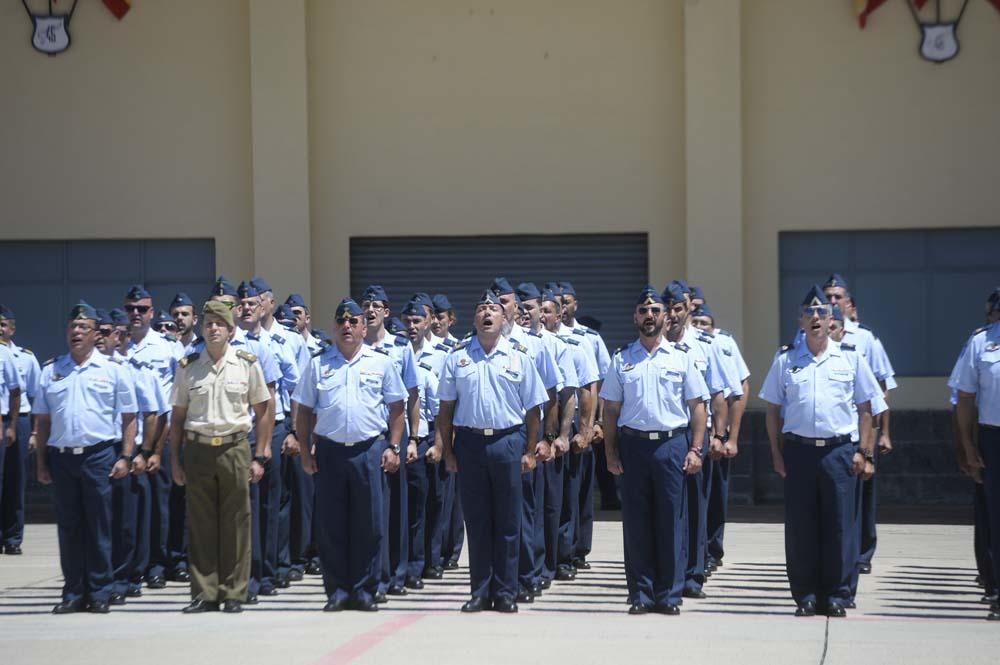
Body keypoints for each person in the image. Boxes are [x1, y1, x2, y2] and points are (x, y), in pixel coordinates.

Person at [759, 285, 882, 617]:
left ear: (832, 321)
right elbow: (772, 411)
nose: (816, 318)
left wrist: (865, 452)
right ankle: (807, 595)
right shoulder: (785, 360)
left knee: (841, 525)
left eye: (822, 313)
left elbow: (867, 409)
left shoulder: (851, 358)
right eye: (809, 313)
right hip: (799, 453)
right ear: (800, 321)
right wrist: (776, 452)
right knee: (802, 527)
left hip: (839, 452)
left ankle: (838, 594)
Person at [435, 290, 549, 613]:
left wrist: (529, 450)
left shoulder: (519, 357)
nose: (487, 314)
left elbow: (533, 410)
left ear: (504, 319)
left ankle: (507, 592)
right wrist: (448, 450)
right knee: (477, 520)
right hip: (470, 443)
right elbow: (445, 409)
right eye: (482, 309)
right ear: (474, 318)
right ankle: (480, 591)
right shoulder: (457, 357)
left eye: (494, 309)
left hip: (508, 442)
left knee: (509, 521)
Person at [600, 286, 709, 615]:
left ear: (667, 316)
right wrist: (611, 452)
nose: (650, 316)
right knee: (636, 523)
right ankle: (641, 593)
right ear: (635, 316)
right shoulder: (622, 358)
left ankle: (669, 594)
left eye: (655, 311)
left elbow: (698, 407)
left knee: (672, 522)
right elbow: (610, 411)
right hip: (633, 446)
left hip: (672, 445)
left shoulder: (681, 358)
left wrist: (696, 449)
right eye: (643, 311)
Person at [293, 298, 406, 612]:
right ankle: (338, 590)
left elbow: (398, 409)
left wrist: (393, 447)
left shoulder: (380, 362)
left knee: (369, 525)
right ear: (333, 327)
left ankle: (365, 589)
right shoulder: (318, 363)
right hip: (329, 451)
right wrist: (305, 451)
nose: (347, 327)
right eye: (341, 322)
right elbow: (302, 411)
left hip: (368, 450)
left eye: (353, 322)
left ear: (363, 327)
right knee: (332, 525)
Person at [170, 300, 273, 614]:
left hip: (234, 447)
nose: (213, 328)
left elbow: (264, 411)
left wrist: (260, 455)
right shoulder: (188, 366)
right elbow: (177, 417)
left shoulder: (246, 363)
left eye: (219, 323)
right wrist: (175, 460)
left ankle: (233, 592)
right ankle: (204, 592)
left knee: (236, 523)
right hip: (198, 448)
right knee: (201, 523)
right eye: (208, 323)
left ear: (231, 330)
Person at [35, 302, 138, 614]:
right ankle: (73, 592)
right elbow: (43, 422)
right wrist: (40, 463)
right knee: (69, 527)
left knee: (99, 526)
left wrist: (126, 456)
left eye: (83, 328)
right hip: (63, 458)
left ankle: (100, 591)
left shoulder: (113, 371)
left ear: (96, 334)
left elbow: (130, 417)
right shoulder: (51, 371)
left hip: (98, 456)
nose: (77, 333)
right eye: (72, 328)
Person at [124, 284, 185, 588]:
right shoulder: (117, 346)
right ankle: (132, 564)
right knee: (130, 507)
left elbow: (179, 394)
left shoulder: (168, 347)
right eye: (131, 309)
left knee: (161, 504)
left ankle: (159, 564)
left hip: (161, 435)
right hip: (125, 440)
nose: (136, 314)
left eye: (142, 309)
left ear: (151, 312)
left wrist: (168, 442)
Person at [950, 288, 1000, 621]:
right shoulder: (982, 342)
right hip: (993, 438)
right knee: (996, 518)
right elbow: (965, 398)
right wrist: (968, 446)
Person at [690, 300, 750, 574]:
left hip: (714, 433)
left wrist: (728, 437)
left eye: (706, 324)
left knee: (713, 497)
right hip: (688, 435)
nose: (700, 327)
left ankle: (712, 549)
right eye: (697, 322)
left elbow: (737, 391)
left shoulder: (721, 345)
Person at [398, 299, 441, 590]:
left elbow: (441, 407)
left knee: (425, 507)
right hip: (394, 440)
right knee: (399, 508)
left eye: (418, 321)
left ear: (428, 322)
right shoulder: (393, 354)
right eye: (408, 322)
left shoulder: (441, 355)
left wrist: (440, 443)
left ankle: (422, 562)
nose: (412, 327)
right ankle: (400, 565)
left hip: (423, 438)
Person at [0, 305, 38, 555]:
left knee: (16, 480)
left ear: (12, 329)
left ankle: (13, 537)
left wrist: (34, 433)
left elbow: (36, 397)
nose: (0, 329)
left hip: (19, 421)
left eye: (3, 324)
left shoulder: (26, 358)